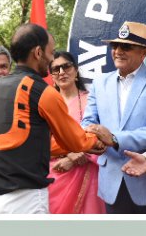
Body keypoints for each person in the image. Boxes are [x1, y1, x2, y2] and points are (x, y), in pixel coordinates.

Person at [0, 23, 104, 214]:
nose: (51, 58)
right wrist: (98, 140)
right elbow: (75, 140)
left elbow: (27, 141)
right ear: (38, 52)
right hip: (25, 198)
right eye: (51, 52)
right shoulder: (42, 91)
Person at [82, 20, 146, 213]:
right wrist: (94, 140)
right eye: (115, 45)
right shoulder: (100, 82)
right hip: (110, 181)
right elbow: (88, 122)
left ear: (144, 53)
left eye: (126, 46)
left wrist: (114, 139)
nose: (118, 51)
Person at [47, 49, 105, 214]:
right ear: (51, 76)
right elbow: (39, 141)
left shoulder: (92, 100)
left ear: (76, 70)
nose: (61, 72)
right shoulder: (45, 103)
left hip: (88, 170)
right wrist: (69, 155)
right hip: (55, 172)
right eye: (56, 69)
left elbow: (101, 136)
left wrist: (77, 157)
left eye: (66, 66)